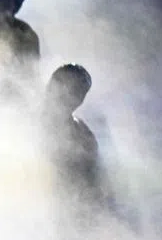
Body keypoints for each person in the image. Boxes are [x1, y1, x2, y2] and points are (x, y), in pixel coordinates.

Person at [39, 64, 113, 221]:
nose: (66, 95)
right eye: (61, 86)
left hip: (67, 214)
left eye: (76, 92)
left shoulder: (83, 135)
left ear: (80, 99)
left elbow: (94, 183)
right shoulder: (22, 119)